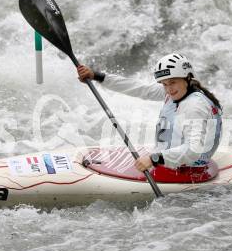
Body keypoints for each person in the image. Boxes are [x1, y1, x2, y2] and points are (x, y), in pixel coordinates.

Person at [77, 53, 222, 173]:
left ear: (188, 78)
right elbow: (140, 88)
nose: (169, 89)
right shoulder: (179, 92)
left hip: (184, 170)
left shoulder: (194, 106)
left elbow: (193, 150)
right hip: (170, 160)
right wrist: (96, 76)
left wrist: (154, 158)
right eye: (164, 84)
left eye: (172, 82)